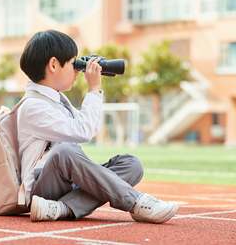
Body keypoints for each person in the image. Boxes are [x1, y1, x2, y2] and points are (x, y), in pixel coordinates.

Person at [17, 29, 178, 223]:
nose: (77, 71)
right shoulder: (32, 106)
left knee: (131, 165)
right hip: (41, 187)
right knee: (65, 152)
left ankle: (61, 208)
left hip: (64, 185)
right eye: (73, 63)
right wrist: (93, 89)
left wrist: (94, 87)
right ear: (53, 64)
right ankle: (136, 202)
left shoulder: (55, 99)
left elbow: (89, 125)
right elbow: (84, 131)